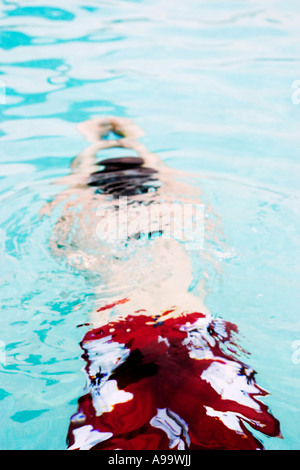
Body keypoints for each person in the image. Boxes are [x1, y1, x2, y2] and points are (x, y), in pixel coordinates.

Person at [42, 117, 281, 450]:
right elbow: (184, 197)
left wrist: (92, 145)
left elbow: (63, 218)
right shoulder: (175, 208)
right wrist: (136, 142)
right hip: (188, 318)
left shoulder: (85, 212)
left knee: (122, 435)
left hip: (117, 326)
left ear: (95, 185)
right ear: (153, 181)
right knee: (218, 424)